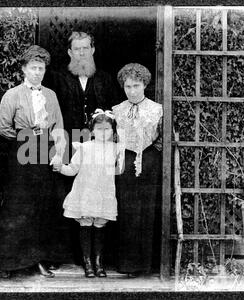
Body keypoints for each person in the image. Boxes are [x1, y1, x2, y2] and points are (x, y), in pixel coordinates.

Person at [43, 31, 120, 266]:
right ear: (69, 52)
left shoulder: (105, 79)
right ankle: (64, 256)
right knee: (66, 195)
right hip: (67, 141)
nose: (82, 52)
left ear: (93, 50)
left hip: (98, 147)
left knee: (94, 196)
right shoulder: (56, 78)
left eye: (86, 48)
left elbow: (114, 116)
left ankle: (95, 259)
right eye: (77, 49)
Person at [0, 45, 67, 279]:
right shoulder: (12, 95)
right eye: (32, 68)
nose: (37, 72)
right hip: (21, 154)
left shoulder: (51, 96)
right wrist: (26, 136)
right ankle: (10, 262)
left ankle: (39, 259)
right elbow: (2, 129)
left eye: (41, 68)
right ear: (24, 69)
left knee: (42, 205)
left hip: (45, 154)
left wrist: (57, 154)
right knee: (18, 206)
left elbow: (59, 128)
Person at [53, 109, 120, 278]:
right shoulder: (84, 147)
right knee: (86, 225)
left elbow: (119, 172)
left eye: (107, 129)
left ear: (112, 131)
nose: (103, 133)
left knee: (100, 226)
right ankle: (87, 263)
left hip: (104, 193)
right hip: (86, 193)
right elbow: (72, 169)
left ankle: (99, 262)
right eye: (99, 129)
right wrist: (60, 167)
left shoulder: (116, 149)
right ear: (92, 131)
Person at [112, 63, 163, 277]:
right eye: (128, 86)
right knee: (127, 209)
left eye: (136, 85)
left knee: (146, 210)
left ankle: (145, 264)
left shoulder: (156, 108)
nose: (132, 91)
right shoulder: (117, 109)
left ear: (144, 85)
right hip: (125, 160)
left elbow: (161, 138)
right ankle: (126, 264)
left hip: (148, 160)